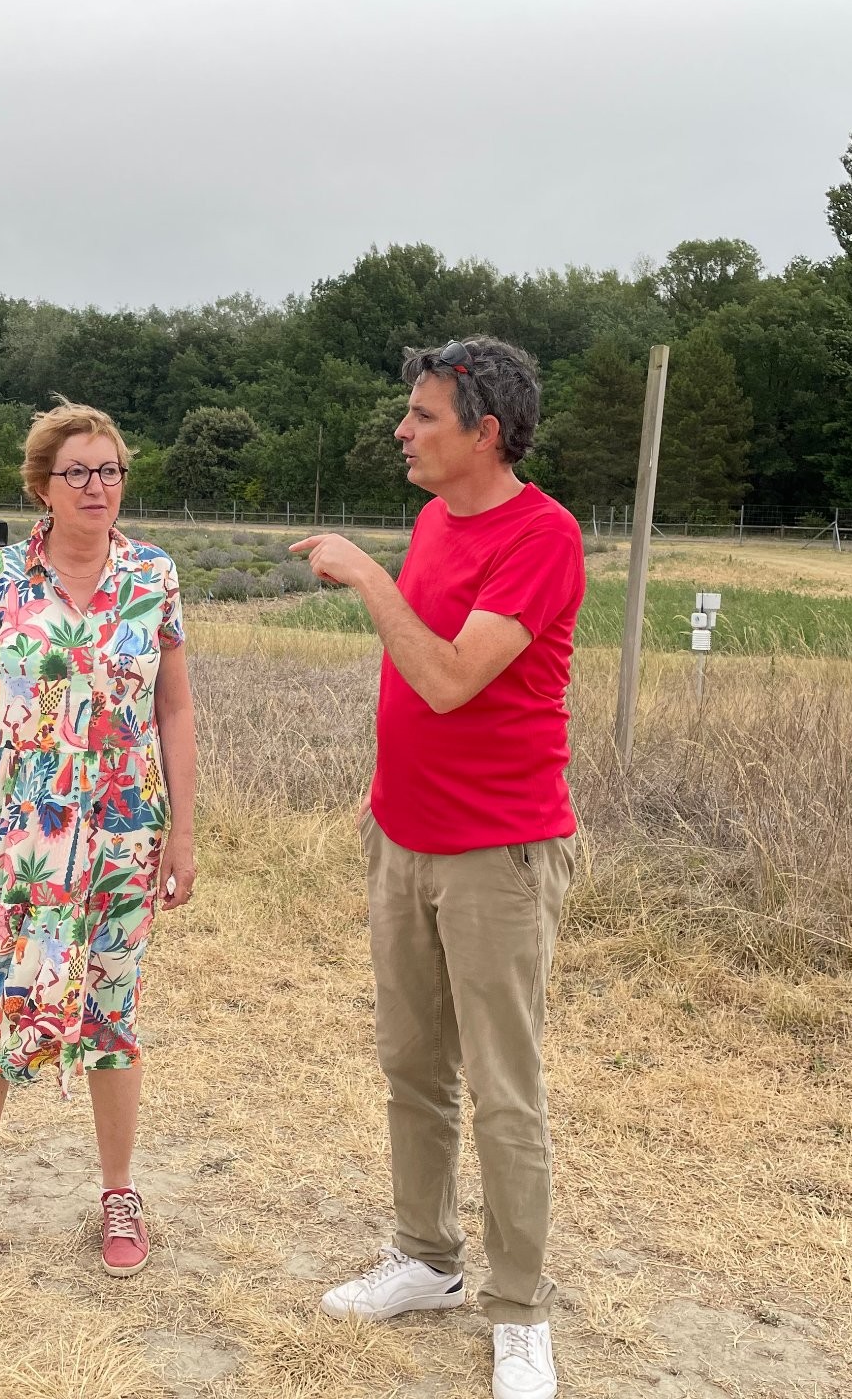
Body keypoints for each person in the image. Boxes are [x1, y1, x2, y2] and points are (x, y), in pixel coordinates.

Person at [292, 337, 584, 1399]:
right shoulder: (430, 518)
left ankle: (519, 1309)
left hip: (496, 855)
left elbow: (452, 677)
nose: (402, 431)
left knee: (503, 1089)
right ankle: (425, 1259)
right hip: (401, 836)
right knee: (411, 1063)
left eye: (421, 416)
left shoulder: (543, 539)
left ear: (485, 433)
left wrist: (364, 576)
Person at [0, 402, 199, 1286]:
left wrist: (185, 828)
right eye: (78, 472)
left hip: (121, 836)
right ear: (42, 485)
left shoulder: (154, 576)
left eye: (111, 470)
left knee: (111, 1013)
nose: (98, 486)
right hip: (14, 837)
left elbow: (175, 708)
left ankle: (119, 1193)